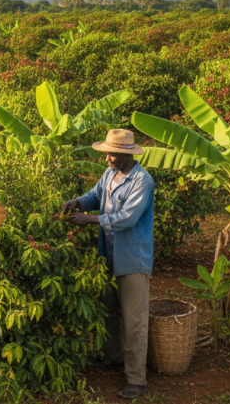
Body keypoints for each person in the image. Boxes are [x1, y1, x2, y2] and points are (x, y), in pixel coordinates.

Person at [62, 128, 154, 400]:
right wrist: (78, 202)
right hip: (108, 255)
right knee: (109, 310)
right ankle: (113, 357)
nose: (107, 158)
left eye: (112, 154)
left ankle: (137, 379)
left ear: (126, 154)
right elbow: (95, 195)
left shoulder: (142, 180)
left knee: (134, 319)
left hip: (132, 259)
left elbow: (127, 218)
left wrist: (89, 219)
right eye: (107, 153)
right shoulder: (110, 175)